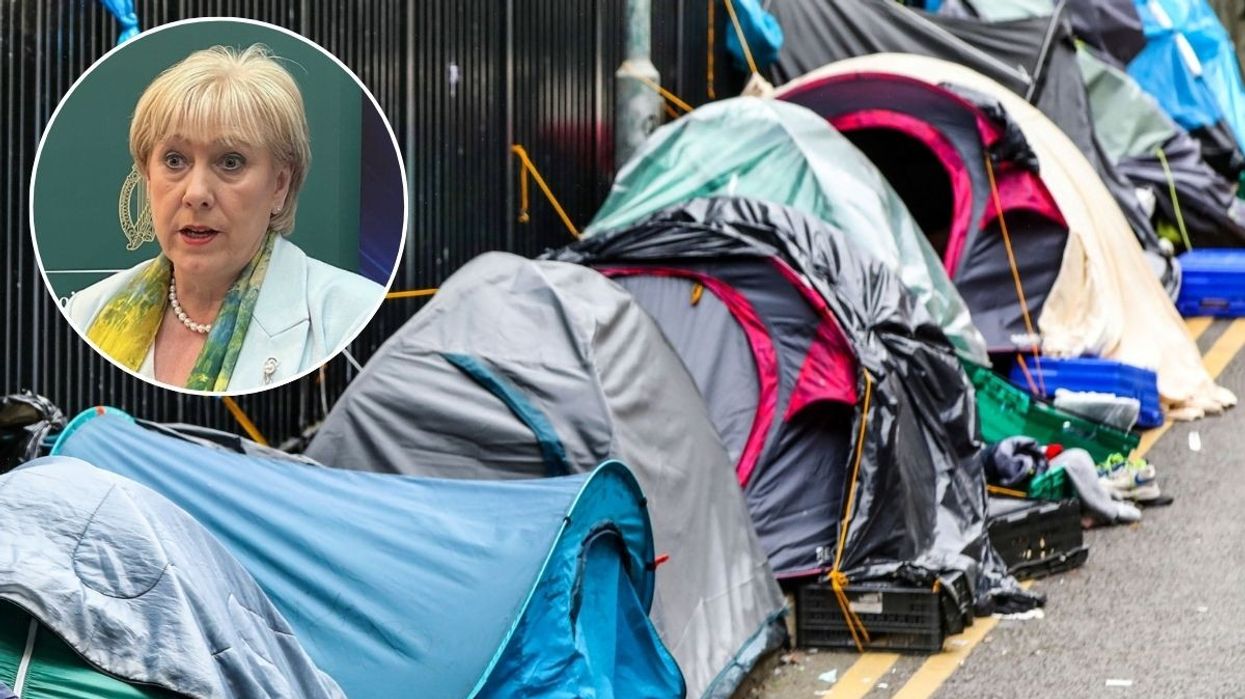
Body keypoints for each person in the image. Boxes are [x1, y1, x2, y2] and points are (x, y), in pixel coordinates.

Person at [65, 44, 382, 392]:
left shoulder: (356, 318)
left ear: (279, 184)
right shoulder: (89, 312)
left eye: (230, 162)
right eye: (174, 160)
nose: (196, 193)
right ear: (147, 175)